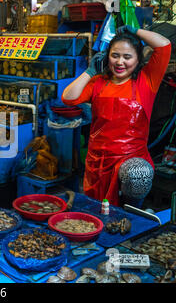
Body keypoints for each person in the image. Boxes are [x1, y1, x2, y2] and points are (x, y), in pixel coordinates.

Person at [62, 25, 171, 208]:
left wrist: (135, 30)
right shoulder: (98, 82)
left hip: (131, 159)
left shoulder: (146, 81)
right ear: (107, 57)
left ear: (138, 60)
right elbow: (68, 98)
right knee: (97, 210)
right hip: (98, 161)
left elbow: (164, 45)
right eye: (115, 55)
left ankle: (132, 211)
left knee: (139, 174)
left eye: (127, 57)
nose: (120, 62)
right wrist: (89, 72)